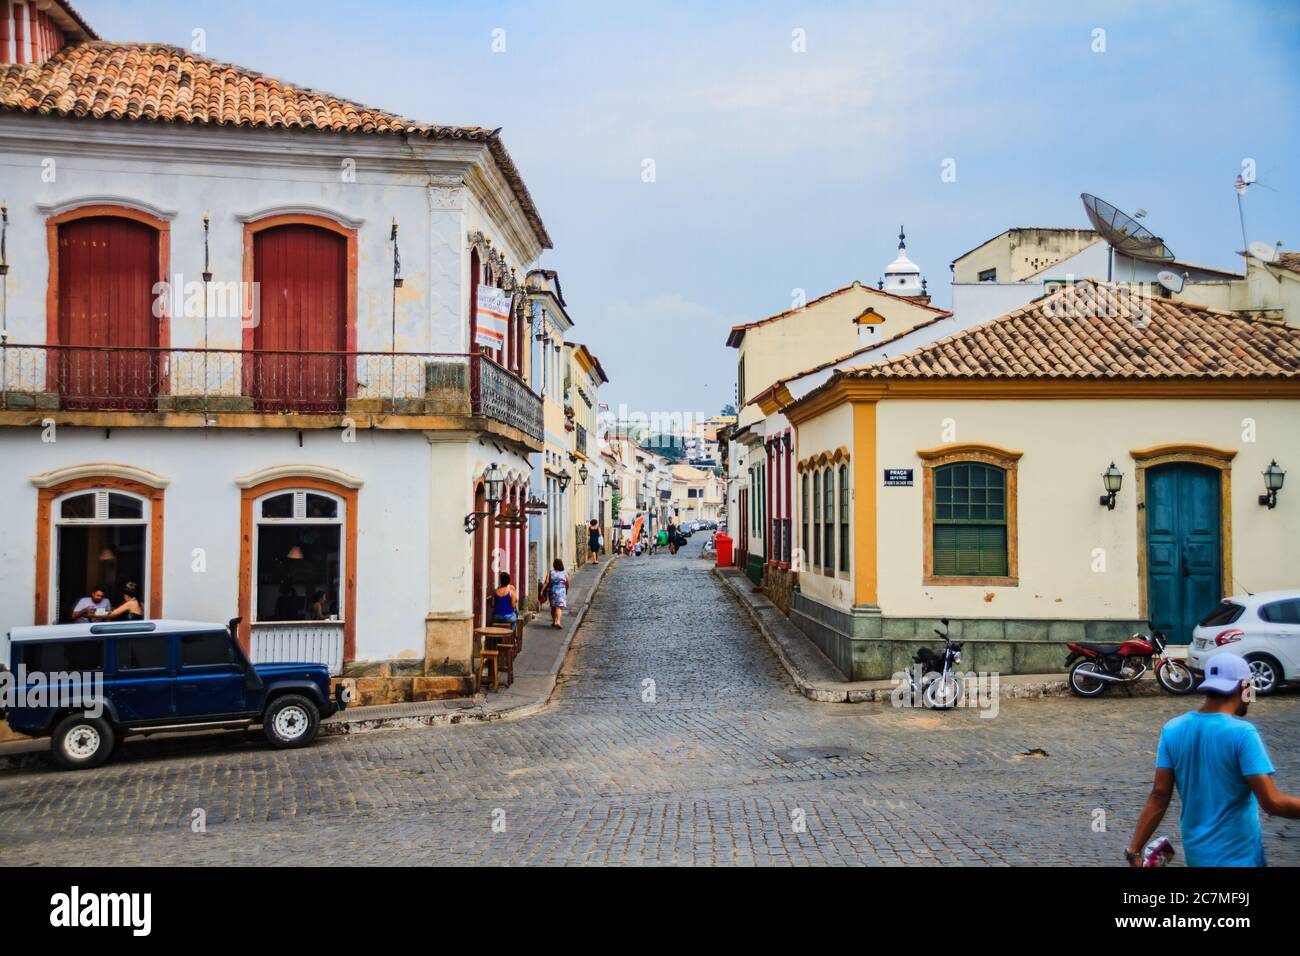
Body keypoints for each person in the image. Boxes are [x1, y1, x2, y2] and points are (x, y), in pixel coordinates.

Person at [1127, 651, 1300, 866]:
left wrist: (1134, 851)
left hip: (1197, 857)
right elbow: (1273, 803)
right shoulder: (1242, 733)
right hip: (1239, 859)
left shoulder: (1172, 729)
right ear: (1244, 687)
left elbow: (1159, 796)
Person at [547, 558, 569, 628]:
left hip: (553, 590)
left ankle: (554, 621)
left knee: (553, 607)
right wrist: (566, 590)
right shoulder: (565, 572)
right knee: (559, 607)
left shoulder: (551, 572)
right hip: (562, 590)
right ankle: (558, 622)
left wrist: (542, 591)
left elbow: (547, 582)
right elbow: (567, 583)